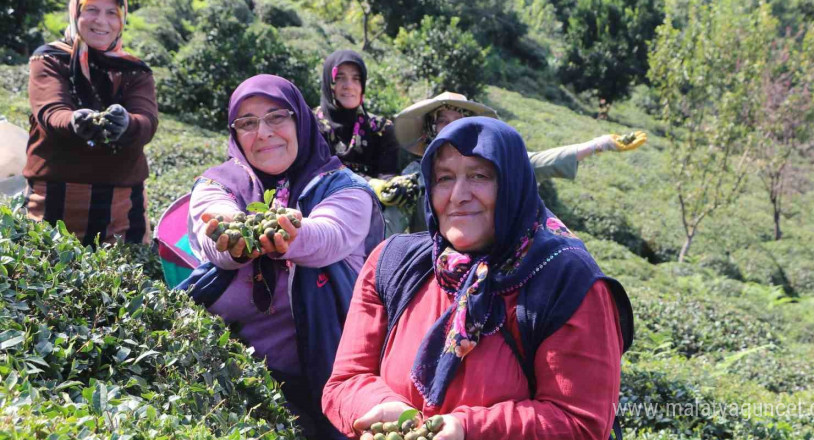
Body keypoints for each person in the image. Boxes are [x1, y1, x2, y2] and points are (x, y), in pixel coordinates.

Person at [323, 117, 634, 440]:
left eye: (479, 176)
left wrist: (469, 430)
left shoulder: (566, 281)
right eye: (444, 178)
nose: (458, 195)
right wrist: (384, 409)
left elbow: (580, 422)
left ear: (512, 184)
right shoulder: (392, 262)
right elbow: (346, 381)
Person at [184, 74, 384, 439]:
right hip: (230, 374)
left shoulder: (345, 188)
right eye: (247, 122)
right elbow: (213, 227)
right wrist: (233, 232)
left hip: (330, 373)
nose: (263, 132)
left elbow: (329, 236)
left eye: (277, 116)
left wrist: (290, 233)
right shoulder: (217, 183)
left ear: (301, 121)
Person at [387, 92, 647, 232]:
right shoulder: (414, 176)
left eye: (460, 119)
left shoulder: (491, 166)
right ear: (430, 129)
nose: (453, 127)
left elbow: (538, 161)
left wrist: (599, 144)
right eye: (443, 120)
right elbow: (392, 229)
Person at [24, 0, 157, 245]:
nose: (101, 21)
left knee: (122, 278)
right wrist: (74, 122)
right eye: (92, 10)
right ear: (76, 14)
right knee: (48, 269)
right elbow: (50, 110)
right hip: (54, 198)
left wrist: (127, 124)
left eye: (111, 13)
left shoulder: (135, 70)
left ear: (122, 20)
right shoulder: (50, 59)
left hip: (121, 205)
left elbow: (147, 120)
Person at [315, 49, 399, 179]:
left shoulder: (381, 129)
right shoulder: (311, 125)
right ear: (328, 82)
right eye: (339, 78)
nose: (349, 86)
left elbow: (387, 175)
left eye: (356, 78)